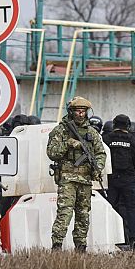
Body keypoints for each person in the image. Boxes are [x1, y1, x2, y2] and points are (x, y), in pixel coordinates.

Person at [46, 96, 107, 252]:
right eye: (77, 111)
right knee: (64, 213)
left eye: (83, 111)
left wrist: (97, 168)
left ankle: (81, 247)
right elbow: (51, 153)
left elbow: (100, 153)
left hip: (85, 179)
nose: (80, 114)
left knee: (83, 215)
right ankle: (57, 245)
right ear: (71, 112)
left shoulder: (91, 133)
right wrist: (68, 144)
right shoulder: (61, 130)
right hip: (67, 178)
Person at [103, 114, 135, 249]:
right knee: (132, 209)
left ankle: (110, 239)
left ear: (114, 125)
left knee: (111, 209)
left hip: (111, 179)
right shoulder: (134, 141)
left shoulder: (106, 139)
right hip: (129, 179)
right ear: (128, 126)